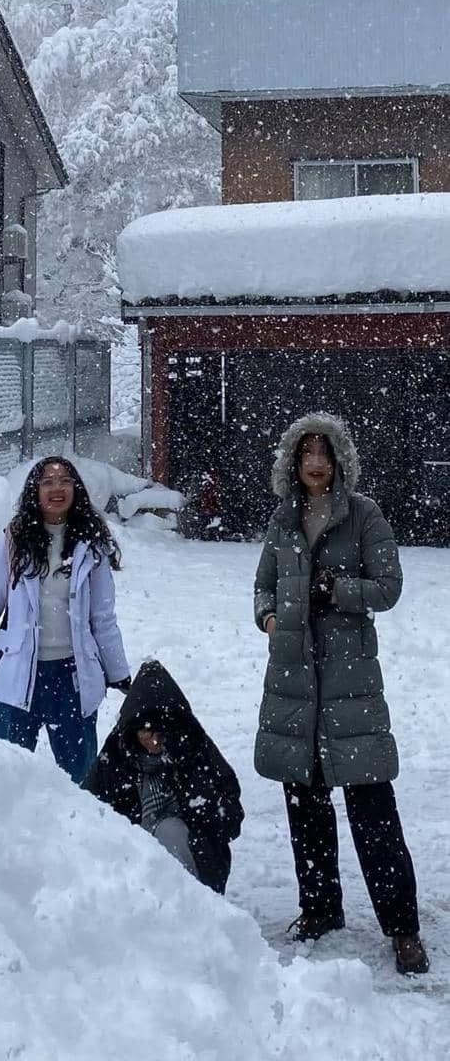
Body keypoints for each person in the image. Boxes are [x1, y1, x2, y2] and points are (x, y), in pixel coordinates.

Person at [254, 411, 429, 975]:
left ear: (339, 459)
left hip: (351, 685)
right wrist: (268, 618)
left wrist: (339, 590)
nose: (315, 462)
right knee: (305, 807)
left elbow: (390, 587)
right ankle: (320, 908)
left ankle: (402, 927)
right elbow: (262, 585)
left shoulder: (365, 516)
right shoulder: (283, 519)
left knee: (373, 809)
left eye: (324, 452)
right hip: (295, 683)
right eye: (306, 452)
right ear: (292, 461)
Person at [0, 456, 131, 784]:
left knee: (82, 780)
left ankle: (78, 835)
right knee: (4, 778)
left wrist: (118, 673)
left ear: (76, 489)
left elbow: (102, 618)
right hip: (18, 676)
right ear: (35, 490)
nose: (56, 488)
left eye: (64, 481)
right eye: (47, 481)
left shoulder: (91, 544)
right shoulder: (14, 541)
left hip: (74, 678)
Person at [83, 660, 243, 893]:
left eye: (160, 732)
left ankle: (187, 901)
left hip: (197, 858)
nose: (153, 740)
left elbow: (231, 819)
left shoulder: (195, 751)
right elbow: (87, 808)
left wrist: (198, 797)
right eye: (145, 732)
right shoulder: (117, 756)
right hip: (127, 860)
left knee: (170, 829)